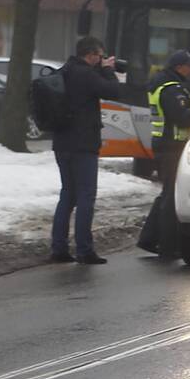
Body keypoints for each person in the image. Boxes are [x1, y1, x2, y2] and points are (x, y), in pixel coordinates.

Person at [50, 36, 122, 265]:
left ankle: (58, 248)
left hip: (62, 143)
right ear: (90, 55)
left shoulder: (64, 71)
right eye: (99, 56)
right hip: (83, 144)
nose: (101, 60)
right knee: (85, 197)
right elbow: (113, 91)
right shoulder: (86, 74)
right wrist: (109, 70)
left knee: (67, 195)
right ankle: (84, 250)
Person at [138, 49, 190, 259]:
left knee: (167, 192)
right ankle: (167, 245)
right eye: (189, 65)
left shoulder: (163, 84)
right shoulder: (171, 89)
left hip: (165, 145)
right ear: (178, 67)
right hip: (172, 146)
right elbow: (181, 118)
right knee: (171, 195)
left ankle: (150, 239)